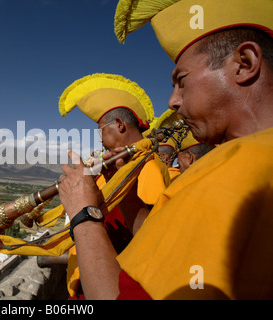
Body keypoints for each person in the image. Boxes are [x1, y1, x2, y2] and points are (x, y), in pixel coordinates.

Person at [58, 0, 273, 299]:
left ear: (244, 63)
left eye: (181, 82)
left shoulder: (241, 167)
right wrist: (128, 195)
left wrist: (83, 213)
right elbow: (162, 241)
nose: (173, 100)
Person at [58, 73, 170, 299]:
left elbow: (149, 239)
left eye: (101, 132)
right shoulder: (127, 166)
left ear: (119, 125)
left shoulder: (149, 167)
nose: (99, 141)